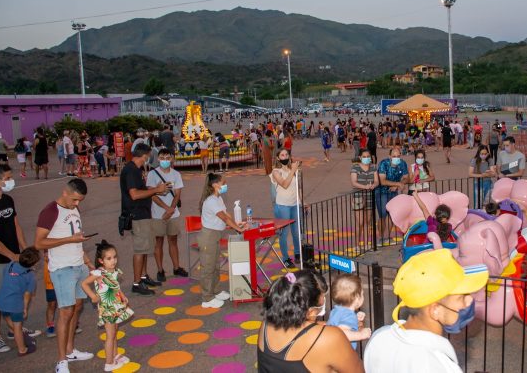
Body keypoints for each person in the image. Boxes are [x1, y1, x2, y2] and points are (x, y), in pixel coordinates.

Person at [364, 249, 488, 373]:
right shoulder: (438, 366)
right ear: (435, 310)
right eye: (461, 297)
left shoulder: (379, 338)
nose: (469, 300)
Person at [34, 178, 95, 373]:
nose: (77, 204)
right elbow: (39, 243)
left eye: (80, 201)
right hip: (62, 269)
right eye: (75, 199)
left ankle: (70, 350)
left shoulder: (74, 209)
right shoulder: (50, 211)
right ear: (65, 192)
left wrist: (88, 262)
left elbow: (78, 240)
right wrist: (69, 239)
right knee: (66, 312)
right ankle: (61, 361)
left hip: (79, 265)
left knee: (77, 308)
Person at [257, 269, 364, 373]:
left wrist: (341, 326)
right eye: (323, 298)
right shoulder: (331, 338)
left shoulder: (266, 323)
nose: (324, 301)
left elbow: (302, 328)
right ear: (311, 312)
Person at [120, 143, 167, 296]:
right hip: (137, 215)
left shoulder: (137, 170)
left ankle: (143, 276)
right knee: (140, 249)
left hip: (144, 214)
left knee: (146, 247)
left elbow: (142, 191)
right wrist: (155, 190)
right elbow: (134, 194)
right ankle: (136, 283)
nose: (149, 158)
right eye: (149, 155)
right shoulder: (131, 170)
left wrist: (155, 190)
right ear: (145, 155)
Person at [0, 164, 27, 353]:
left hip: (14, 256)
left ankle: (15, 328)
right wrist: (10, 255)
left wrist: (24, 250)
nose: (10, 181)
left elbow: (16, 225)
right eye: (7, 178)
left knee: (14, 294)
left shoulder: (8, 199)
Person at [81, 241, 133, 371]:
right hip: (107, 309)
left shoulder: (114, 271)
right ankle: (109, 362)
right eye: (109, 258)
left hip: (116, 306)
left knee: (115, 332)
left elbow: (115, 286)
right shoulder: (98, 273)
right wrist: (93, 296)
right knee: (110, 336)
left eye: (115, 257)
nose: (113, 261)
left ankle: (115, 356)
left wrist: (123, 295)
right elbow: (84, 284)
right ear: (101, 260)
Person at [198, 173, 247, 308]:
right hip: (208, 236)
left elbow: (227, 215)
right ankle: (207, 298)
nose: (225, 185)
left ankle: (216, 290)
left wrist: (238, 224)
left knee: (215, 265)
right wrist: (238, 229)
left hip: (215, 235)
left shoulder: (218, 198)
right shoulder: (211, 201)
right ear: (215, 185)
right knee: (208, 267)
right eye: (223, 183)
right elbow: (223, 218)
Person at [146, 149, 188, 282]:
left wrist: (171, 209)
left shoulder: (176, 174)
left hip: (173, 214)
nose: (165, 160)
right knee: (158, 242)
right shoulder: (152, 174)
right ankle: (160, 270)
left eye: (168, 158)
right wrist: (166, 208)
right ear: (158, 159)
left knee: (173, 240)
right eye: (162, 157)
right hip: (158, 214)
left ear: (172, 159)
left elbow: (177, 194)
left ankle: (176, 267)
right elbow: (151, 194)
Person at [0, 246, 40, 357]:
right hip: (15, 305)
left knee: (7, 318)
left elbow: (5, 274)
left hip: (1, 301)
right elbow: (27, 294)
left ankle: (18, 334)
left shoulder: (11, 264)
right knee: (17, 327)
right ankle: (22, 349)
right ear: (33, 264)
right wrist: (24, 308)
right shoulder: (30, 277)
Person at [271, 149, 302, 268]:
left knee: (296, 231)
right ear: (278, 158)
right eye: (282, 155)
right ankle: (285, 258)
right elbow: (284, 184)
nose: (285, 156)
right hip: (283, 206)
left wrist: (302, 201)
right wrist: (293, 170)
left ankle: (298, 253)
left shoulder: (291, 170)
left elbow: (296, 187)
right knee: (284, 233)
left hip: (295, 204)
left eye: (286, 154)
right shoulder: (276, 172)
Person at [327, 274, 371, 350]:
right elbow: (342, 334)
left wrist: (355, 320)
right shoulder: (349, 316)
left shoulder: (336, 310)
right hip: (342, 355)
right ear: (357, 298)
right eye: (362, 294)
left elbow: (341, 324)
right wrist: (361, 334)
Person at [376, 147, 409, 243]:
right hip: (381, 192)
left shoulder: (402, 163)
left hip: (393, 192)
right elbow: (382, 181)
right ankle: (381, 237)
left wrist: (397, 184)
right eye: (394, 156)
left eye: (398, 156)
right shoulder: (383, 163)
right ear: (389, 156)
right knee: (382, 215)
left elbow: (406, 178)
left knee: (391, 215)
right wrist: (398, 184)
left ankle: (388, 236)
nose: (396, 158)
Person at [351, 149, 379, 244]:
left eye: (368, 156)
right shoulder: (355, 168)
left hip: (370, 196)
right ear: (360, 157)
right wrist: (365, 187)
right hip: (358, 197)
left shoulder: (373, 168)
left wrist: (373, 185)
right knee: (360, 222)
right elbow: (354, 182)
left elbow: (376, 181)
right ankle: (357, 244)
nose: (367, 158)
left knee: (368, 221)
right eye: (364, 157)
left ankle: (367, 243)